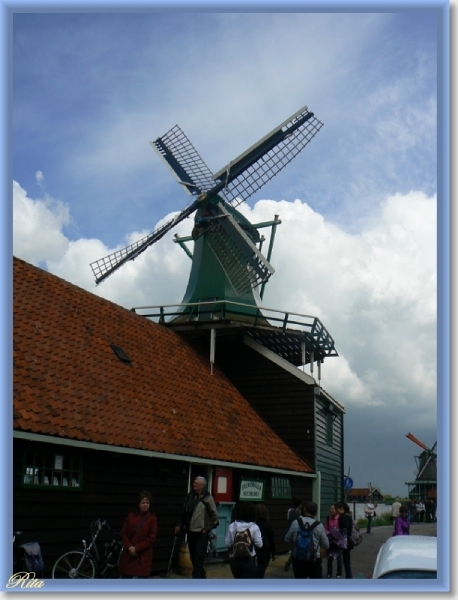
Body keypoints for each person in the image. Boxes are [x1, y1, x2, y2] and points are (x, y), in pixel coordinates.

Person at [174, 475, 218, 579]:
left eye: (197, 483)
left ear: (202, 486)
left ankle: (196, 579)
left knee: (199, 556)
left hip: (201, 532)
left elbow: (215, 517)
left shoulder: (208, 498)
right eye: (194, 483)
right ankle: (202, 578)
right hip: (190, 531)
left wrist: (206, 529)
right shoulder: (190, 496)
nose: (194, 484)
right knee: (193, 557)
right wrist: (179, 524)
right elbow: (184, 512)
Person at [285, 500, 329, 579]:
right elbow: (326, 544)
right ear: (316, 513)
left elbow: (287, 539)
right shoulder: (319, 525)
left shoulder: (295, 523)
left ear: (304, 510)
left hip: (298, 560)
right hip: (314, 560)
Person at [119, 490, 157, 578]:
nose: (145, 505)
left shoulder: (152, 519)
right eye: (143, 502)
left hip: (143, 555)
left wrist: (137, 548)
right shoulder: (130, 516)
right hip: (129, 555)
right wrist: (129, 547)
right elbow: (124, 533)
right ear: (138, 504)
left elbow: (151, 537)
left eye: (147, 503)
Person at [225, 502, 263, 578]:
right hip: (249, 558)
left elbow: (227, 543)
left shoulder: (232, 526)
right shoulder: (254, 527)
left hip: (234, 559)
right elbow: (259, 544)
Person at [254, 504, 276, 578]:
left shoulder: (253, 524)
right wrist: (274, 553)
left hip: (254, 551)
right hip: (265, 552)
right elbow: (272, 540)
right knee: (261, 573)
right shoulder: (268, 525)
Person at [335, 501, 353, 579]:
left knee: (346, 561)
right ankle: (347, 576)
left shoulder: (346, 517)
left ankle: (349, 577)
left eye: (337, 509)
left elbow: (345, 530)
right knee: (345, 560)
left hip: (346, 542)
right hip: (343, 541)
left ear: (341, 509)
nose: (336, 511)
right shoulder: (342, 516)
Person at [324, 504, 343, 578]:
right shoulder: (328, 518)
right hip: (331, 540)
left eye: (333, 509)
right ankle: (329, 573)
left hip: (338, 541)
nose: (332, 510)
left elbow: (342, 529)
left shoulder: (339, 518)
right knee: (329, 557)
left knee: (339, 558)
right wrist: (328, 533)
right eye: (331, 508)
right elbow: (326, 528)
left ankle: (339, 573)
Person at [284, 498, 302, 571]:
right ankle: (291, 562)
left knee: (294, 547)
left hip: (291, 530)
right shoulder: (300, 513)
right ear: (299, 505)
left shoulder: (290, 511)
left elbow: (288, 519)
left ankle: (289, 561)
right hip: (299, 531)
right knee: (297, 548)